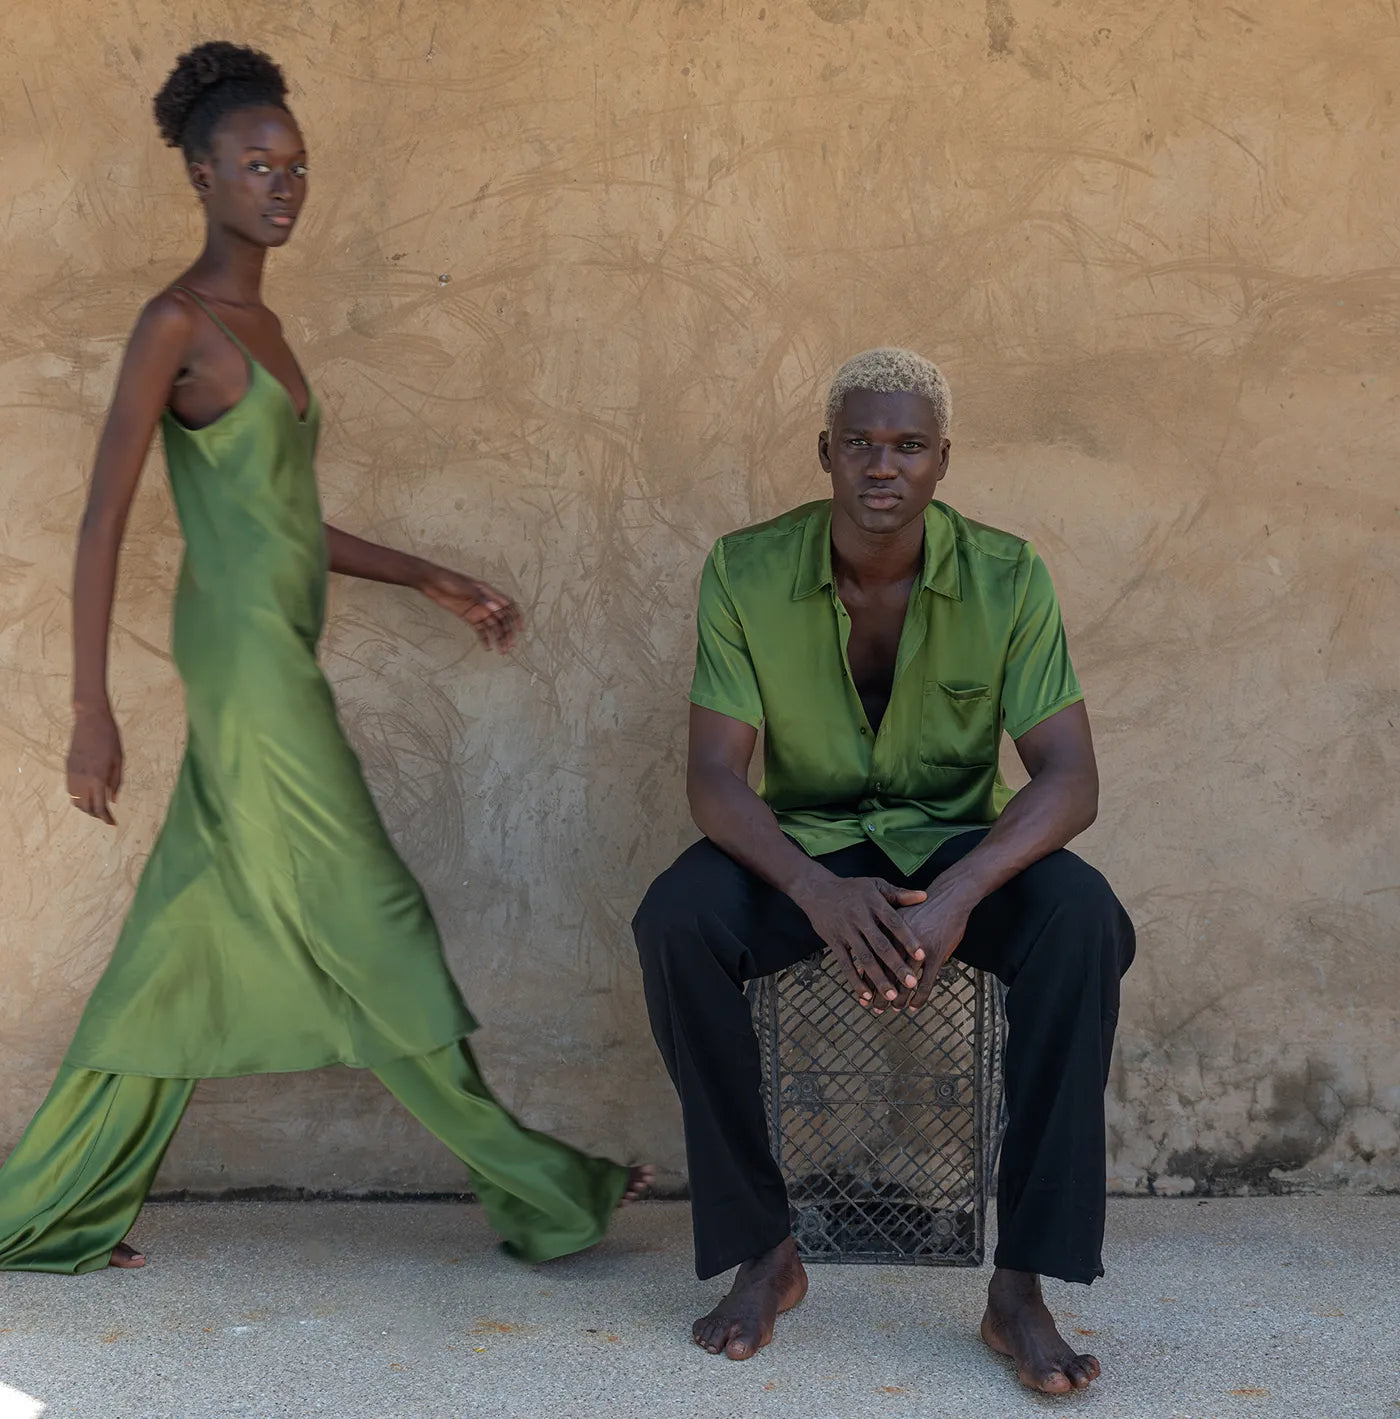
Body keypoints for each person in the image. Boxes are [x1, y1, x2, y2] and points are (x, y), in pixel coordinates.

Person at [0, 41, 648, 1276]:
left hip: (272, 651)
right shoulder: (176, 324)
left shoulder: (267, 327)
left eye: (295, 165)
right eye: (256, 166)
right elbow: (100, 522)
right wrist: (89, 709)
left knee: (178, 946)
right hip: (245, 669)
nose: (282, 186)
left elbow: (283, 519)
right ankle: (541, 1189)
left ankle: (48, 1208)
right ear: (201, 175)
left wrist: (426, 574)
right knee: (376, 913)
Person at [632, 348, 1134, 1395]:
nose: (881, 465)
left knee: (1080, 919)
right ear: (826, 451)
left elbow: (1069, 777)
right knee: (677, 919)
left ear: (943, 460)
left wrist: (961, 892)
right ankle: (765, 1251)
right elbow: (715, 777)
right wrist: (811, 889)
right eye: (859, 442)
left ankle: (1020, 1287)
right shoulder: (744, 569)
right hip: (808, 844)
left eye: (908, 445)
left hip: (954, 844)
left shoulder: (1006, 575)